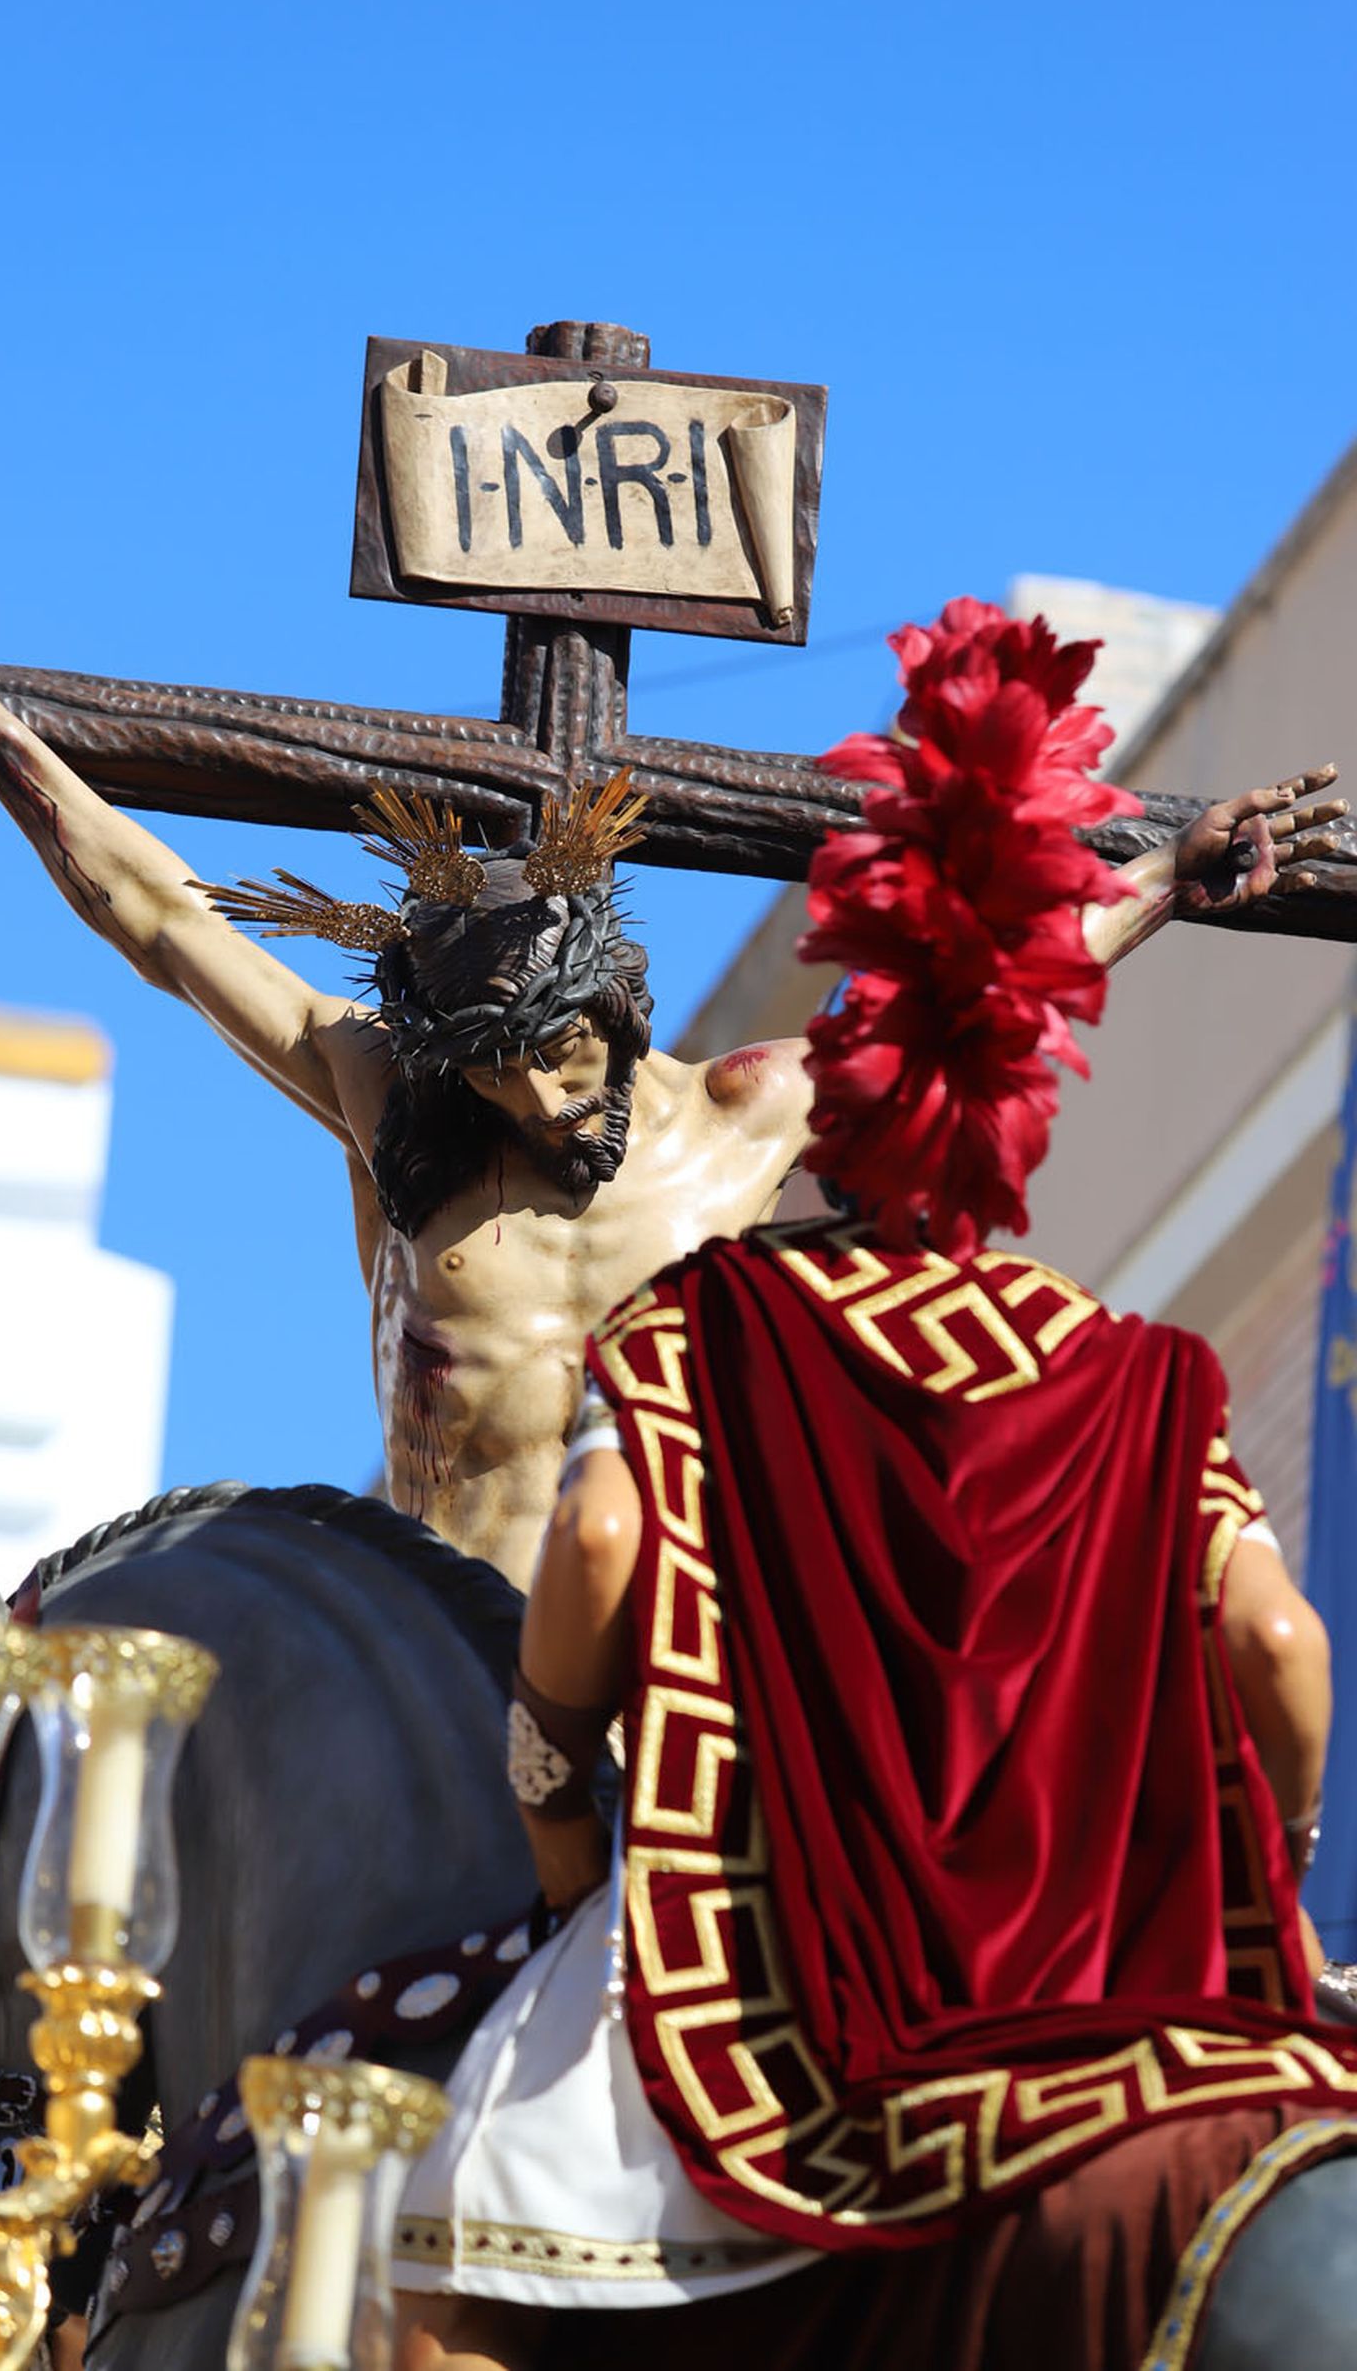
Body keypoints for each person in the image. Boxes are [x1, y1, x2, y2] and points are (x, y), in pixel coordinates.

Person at [389, 607, 1357, 2371]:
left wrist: (549, 1805)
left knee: (441, 2263)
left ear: (826, 1118)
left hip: (794, 1994)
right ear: (1023, 1116)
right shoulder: (1136, 1368)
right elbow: (1283, 1645)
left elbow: (599, 1539)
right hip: (1142, 1984)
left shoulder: (707, 1324)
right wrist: (1268, 1866)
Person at [0, 609, 1343, 1589]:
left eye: (560, 1053)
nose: (539, 1096)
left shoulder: (744, 1115)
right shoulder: (397, 1115)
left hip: (671, 1681)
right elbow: (170, 926)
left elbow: (967, 998)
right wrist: (9, 757)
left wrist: (1163, 884)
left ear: (617, 1011)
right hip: (438, 1666)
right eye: (493, 1069)